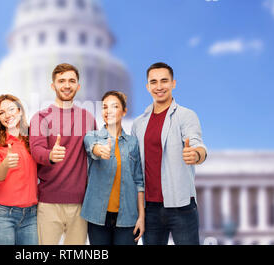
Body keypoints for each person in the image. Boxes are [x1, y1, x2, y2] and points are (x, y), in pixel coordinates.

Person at [131, 62, 207, 245]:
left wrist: (196, 155)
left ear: (173, 83)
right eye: (154, 82)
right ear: (147, 86)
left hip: (181, 206)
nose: (159, 87)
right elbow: (134, 167)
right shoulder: (138, 124)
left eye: (164, 81)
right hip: (150, 209)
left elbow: (198, 145)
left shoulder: (186, 116)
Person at [29, 63, 97, 245]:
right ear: (53, 86)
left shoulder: (88, 118)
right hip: (48, 203)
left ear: (78, 86)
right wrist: (50, 155)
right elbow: (36, 149)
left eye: (71, 81)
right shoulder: (40, 117)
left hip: (80, 204)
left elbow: (94, 154)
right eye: (61, 81)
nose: (67, 85)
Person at [81, 91, 145, 245]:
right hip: (97, 217)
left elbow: (139, 182)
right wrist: (99, 150)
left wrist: (141, 217)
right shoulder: (92, 136)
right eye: (104, 107)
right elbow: (92, 148)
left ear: (124, 111)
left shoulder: (133, 143)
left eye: (114, 106)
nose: (108, 111)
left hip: (128, 217)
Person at [0, 94, 38, 245]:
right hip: (2, 216)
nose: (7, 115)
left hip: (31, 216)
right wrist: (5, 164)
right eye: (1, 113)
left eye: (11, 109)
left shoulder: (33, 140)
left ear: (20, 111)